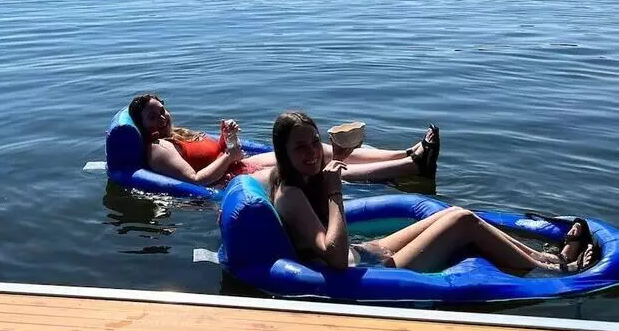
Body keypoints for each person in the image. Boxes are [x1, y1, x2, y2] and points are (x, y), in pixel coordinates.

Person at [268, 111, 599, 274]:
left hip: (365, 251)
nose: (312, 152)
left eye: (315, 143)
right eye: (301, 147)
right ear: (283, 152)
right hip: (364, 270)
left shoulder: (302, 176)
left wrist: (335, 163)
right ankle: (553, 271)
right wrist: (334, 193)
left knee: (450, 213)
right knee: (464, 221)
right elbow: (335, 258)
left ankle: (546, 257)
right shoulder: (291, 193)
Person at [127, 93, 441, 187]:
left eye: (163, 109)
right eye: (153, 116)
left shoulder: (176, 134)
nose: (164, 117)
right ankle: (412, 168)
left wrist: (226, 138)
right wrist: (229, 156)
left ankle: (405, 153)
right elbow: (196, 180)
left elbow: (214, 155)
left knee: (320, 151)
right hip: (232, 182)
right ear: (144, 127)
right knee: (309, 168)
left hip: (240, 166)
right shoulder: (158, 149)